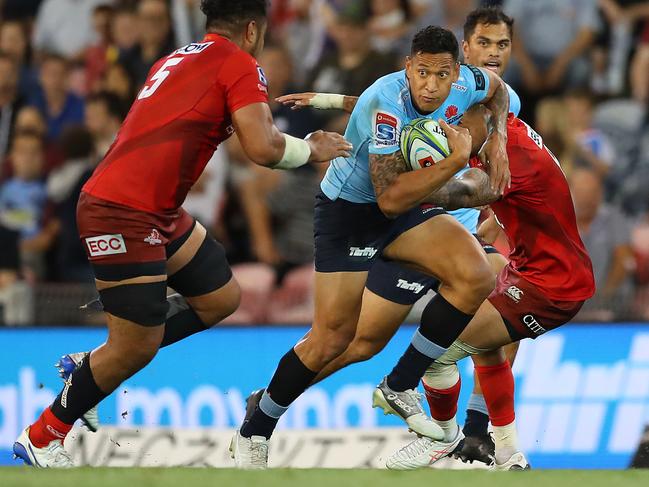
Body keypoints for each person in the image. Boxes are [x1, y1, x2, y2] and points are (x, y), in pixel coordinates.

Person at [13, 0, 351, 468]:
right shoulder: (238, 62)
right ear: (253, 31)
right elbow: (263, 148)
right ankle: (43, 435)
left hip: (155, 210)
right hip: (122, 211)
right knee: (137, 346)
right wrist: (312, 147)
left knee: (220, 298)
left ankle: (90, 369)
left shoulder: (180, 55)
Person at [231, 24, 512, 469]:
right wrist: (458, 160)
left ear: (456, 72)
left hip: (410, 207)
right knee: (332, 339)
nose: (431, 85)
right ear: (408, 67)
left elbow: (499, 93)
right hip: (353, 213)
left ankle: (401, 383)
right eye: (422, 73)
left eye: (441, 75)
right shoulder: (385, 102)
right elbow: (388, 198)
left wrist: (496, 137)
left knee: (477, 274)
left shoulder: (469, 82)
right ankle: (256, 428)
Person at [385, 106, 594, 470]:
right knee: (485, 347)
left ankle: (441, 436)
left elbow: (463, 193)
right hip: (537, 271)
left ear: (485, 115)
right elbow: (534, 190)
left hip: (549, 287)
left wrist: (400, 189)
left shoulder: (508, 157)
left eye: (461, 123)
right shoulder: (506, 132)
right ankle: (509, 454)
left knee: (437, 349)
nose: (455, 131)